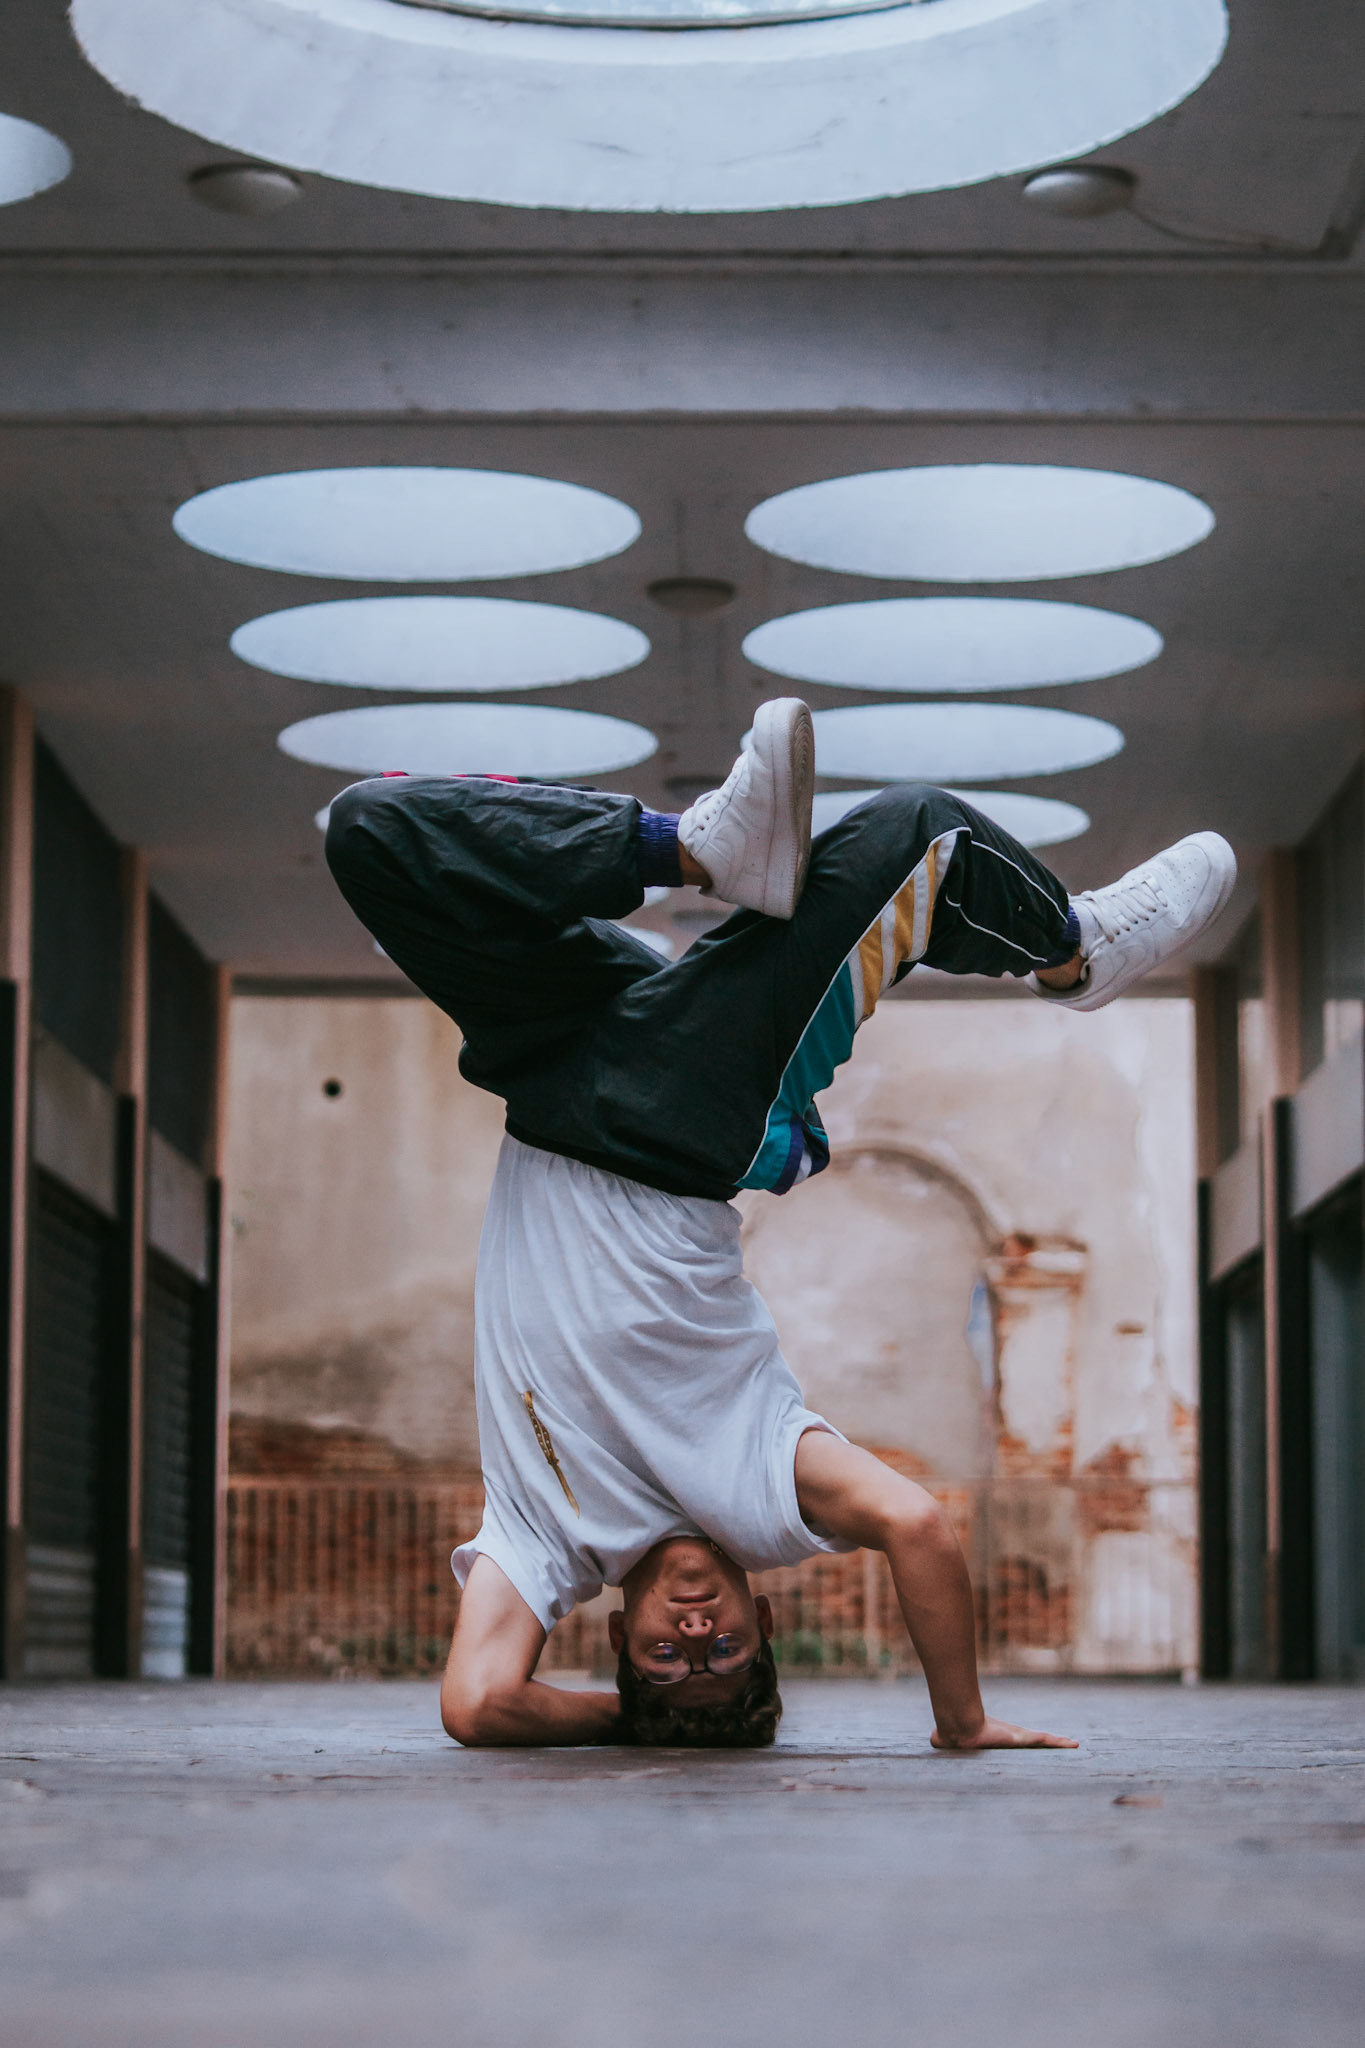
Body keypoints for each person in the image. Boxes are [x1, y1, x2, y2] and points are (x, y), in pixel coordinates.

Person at [325, 698, 1236, 1751]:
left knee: (374, 833)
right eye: (725, 1652)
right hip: (676, 1119)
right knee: (918, 832)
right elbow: (915, 1526)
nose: (695, 1635)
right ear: (764, 1621)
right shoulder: (762, 1491)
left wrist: (645, 1719)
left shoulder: (547, 1542)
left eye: (667, 1658)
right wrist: (961, 1722)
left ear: (616, 1635)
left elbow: (480, 1703)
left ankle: (686, 847)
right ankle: (1077, 951)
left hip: (550, 1066)